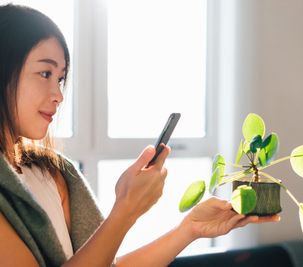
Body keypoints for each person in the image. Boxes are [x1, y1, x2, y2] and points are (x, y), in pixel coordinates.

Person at [0, 4, 280, 267]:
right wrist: (125, 211)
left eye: (60, 78)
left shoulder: (54, 174)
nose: (59, 95)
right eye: (45, 73)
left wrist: (190, 229)